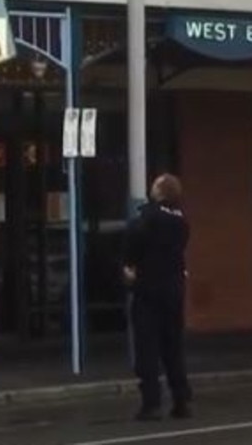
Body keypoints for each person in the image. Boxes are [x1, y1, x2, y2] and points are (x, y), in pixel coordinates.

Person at [123, 173, 191, 422]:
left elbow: (132, 239)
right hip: (174, 290)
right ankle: (181, 399)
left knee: (147, 348)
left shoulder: (149, 217)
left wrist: (129, 265)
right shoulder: (181, 220)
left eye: (155, 185)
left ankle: (151, 403)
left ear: (161, 191)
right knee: (173, 346)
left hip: (148, 290)